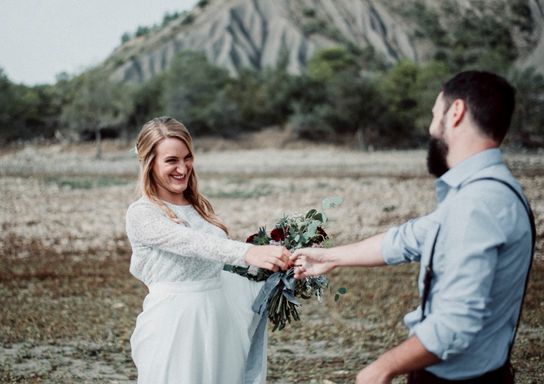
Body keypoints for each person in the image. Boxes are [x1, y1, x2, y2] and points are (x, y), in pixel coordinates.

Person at [291, 70, 534, 383]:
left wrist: (384, 366)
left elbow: (453, 324)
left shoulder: (477, 204)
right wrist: (331, 257)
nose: (431, 128)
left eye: (435, 115)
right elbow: (408, 239)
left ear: (456, 112)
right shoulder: (492, 190)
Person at [125, 116, 290, 384]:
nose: (182, 168)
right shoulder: (142, 213)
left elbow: (220, 265)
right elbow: (192, 243)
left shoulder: (199, 208)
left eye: (187, 157)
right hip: (175, 324)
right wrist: (247, 252)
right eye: (171, 161)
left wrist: (279, 267)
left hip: (218, 319)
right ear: (149, 163)